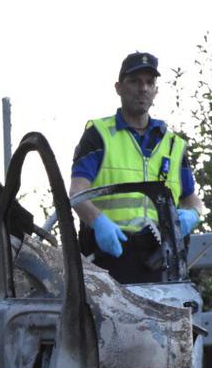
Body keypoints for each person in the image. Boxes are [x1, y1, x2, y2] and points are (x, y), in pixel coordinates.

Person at [70, 52, 205, 284]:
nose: (143, 88)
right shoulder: (99, 135)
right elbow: (76, 193)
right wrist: (99, 222)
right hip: (109, 259)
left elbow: (192, 199)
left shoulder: (173, 145)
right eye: (134, 81)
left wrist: (193, 215)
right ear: (118, 87)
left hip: (161, 261)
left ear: (156, 91)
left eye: (149, 82)